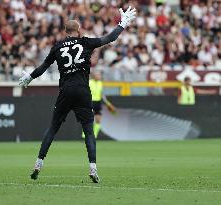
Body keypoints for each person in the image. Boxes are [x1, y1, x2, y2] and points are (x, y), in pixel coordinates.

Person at [19, 6, 137, 183]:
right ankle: (93, 168)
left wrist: (29, 76)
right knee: (89, 131)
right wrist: (122, 24)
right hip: (82, 91)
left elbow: (43, 67)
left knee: (52, 128)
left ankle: (38, 163)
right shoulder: (85, 42)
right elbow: (110, 38)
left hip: (65, 91)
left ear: (65, 32)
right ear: (78, 30)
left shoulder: (58, 47)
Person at [83, 71, 116, 139]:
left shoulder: (100, 83)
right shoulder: (89, 82)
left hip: (98, 102)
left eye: (99, 75)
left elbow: (102, 94)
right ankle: (85, 134)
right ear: (93, 76)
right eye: (97, 75)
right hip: (90, 102)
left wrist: (108, 103)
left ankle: (94, 135)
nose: (99, 76)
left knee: (98, 120)